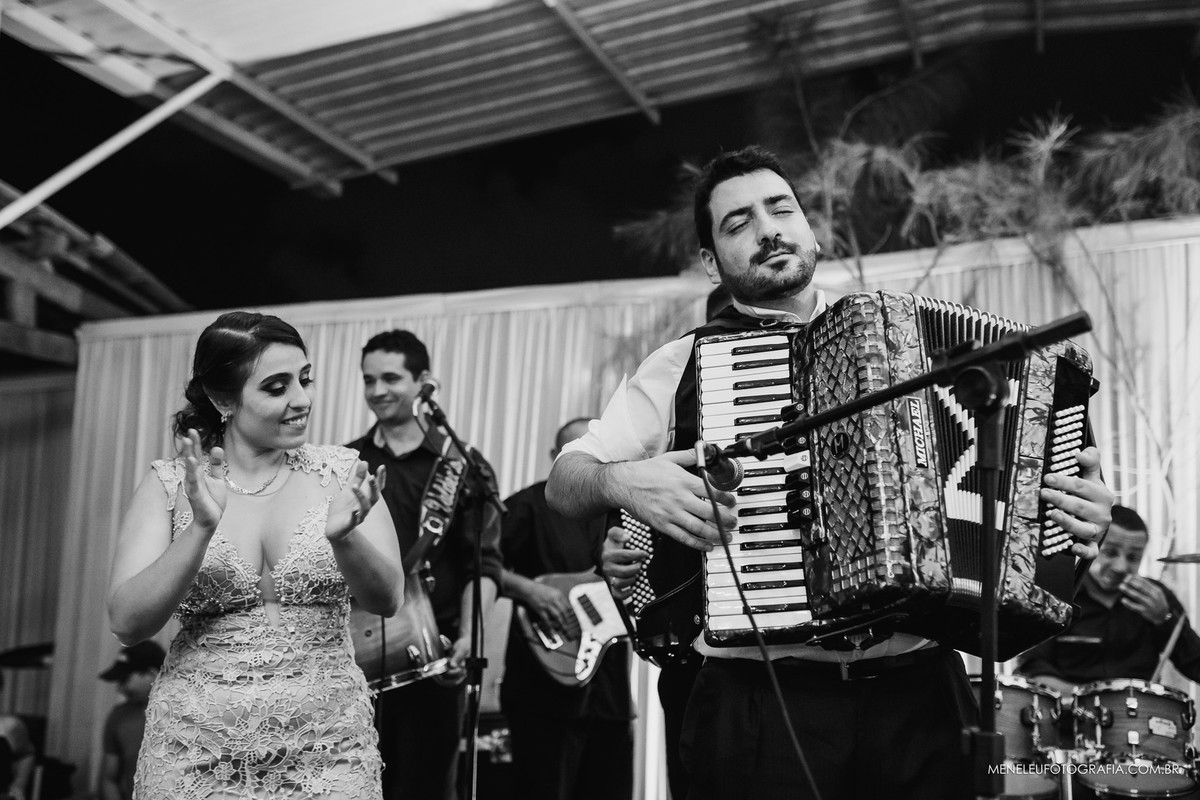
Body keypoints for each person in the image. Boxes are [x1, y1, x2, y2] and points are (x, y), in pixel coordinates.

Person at [546, 145, 1114, 800]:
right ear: (710, 262)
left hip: (922, 691)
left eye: (780, 209)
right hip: (763, 703)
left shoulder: (909, 342)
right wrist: (622, 481)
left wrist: (1073, 518)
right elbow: (568, 477)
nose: (767, 229)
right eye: (737, 224)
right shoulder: (682, 365)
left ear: (809, 228)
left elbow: (1022, 483)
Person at [108, 311, 404, 799]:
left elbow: (389, 598)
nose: (302, 400)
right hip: (197, 750)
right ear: (223, 398)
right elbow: (126, 621)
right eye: (277, 387)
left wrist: (345, 538)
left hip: (328, 751)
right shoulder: (170, 484)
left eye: (305, 380)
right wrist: (201, 528)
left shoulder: (342, 473)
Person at [347, 330, 503, 800]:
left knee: (428, 788)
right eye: (368, 380)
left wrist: (473, 637)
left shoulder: (464, 467)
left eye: (390, 378)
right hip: (350, 663)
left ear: (423, 383)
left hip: (433, 659)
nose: (377, 391)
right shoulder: (345, 463)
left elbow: (486, 565)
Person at [498, 418, 634, 800]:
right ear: (555, 459)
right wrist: (529, 590)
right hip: (543, 688)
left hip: (610, 693)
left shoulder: (623, 509)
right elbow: (476, 563)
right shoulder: (527, 504)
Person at [1019, 504, 1200, 694]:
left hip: (1139, 717)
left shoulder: (1156, 598)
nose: (1121, 566)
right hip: (1068, 715)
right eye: (1110, 553)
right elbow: (1034, 669)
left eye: (1133, 557)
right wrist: (1090, 701)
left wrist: (1165, 620)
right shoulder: (1057, 595)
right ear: (1088, 545)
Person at [99, 641, 165, 800]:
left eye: (125, 680)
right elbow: (109, 779)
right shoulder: (118, 717)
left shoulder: (189, 714)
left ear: (151, 674)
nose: (120, 689)